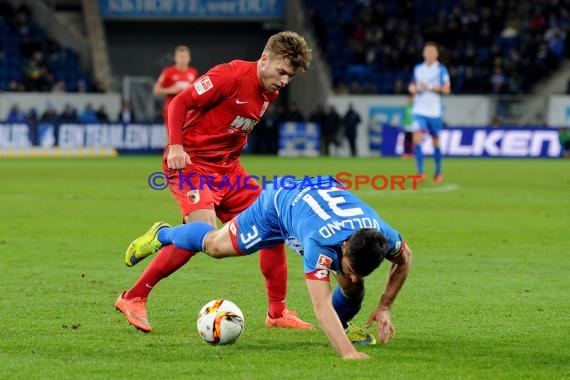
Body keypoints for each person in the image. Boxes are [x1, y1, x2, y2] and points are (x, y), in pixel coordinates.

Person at [115, 31, 314, 332]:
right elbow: (179, 102)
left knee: (274, 226)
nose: (285, 81)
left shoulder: (270, 90)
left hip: (229, 171)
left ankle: (277, 314)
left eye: (290, 76)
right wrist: (176, 146)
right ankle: (134, 296)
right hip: (190, 163)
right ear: (264, 59)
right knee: (204, 233)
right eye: (282, 72)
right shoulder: (229, 75)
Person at [125, 176, 412, 359]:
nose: (348, 274)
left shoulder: (383, 235)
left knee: (353, 287)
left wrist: (385, 304)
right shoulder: (319, 242)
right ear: (346, 246)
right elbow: (321, 305)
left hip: (319, 197)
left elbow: (405, 259)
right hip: (276, 206)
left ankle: (344, 326)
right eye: (349, 267)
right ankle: (162, 234)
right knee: (214, 246)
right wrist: (347, 354)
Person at [408, 42, 451, 183]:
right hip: (419, 109)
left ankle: (438, 172)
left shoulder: (441, 69)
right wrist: (412, 91)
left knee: (436, 141)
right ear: (423, 53)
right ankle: (420, 172)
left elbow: (446, 90)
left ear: (437, 54)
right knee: (416, 137)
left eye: (433, 52)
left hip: (434, 111)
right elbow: (413, 85)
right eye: (427, 51)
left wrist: (430, 87)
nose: (430, 54)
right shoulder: (418, 69)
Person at [153, 45, 199, 125]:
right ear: (175, 58)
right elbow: (156, 91)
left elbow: (197, 91)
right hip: (171, 109)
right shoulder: (167, 72)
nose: (182, 59)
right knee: (172, 135)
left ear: (189, 58)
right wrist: (171, 90)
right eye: (180, 57)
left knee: (187, 135)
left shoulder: (193, 72)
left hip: (188, 110)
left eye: (185, 57)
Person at [401, 95, 414, 159]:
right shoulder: (406, 107)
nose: (411, 100)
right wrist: (402, 124)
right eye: (410, 99)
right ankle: (406, 153)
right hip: (407, 126)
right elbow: (403, 116)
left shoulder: (416, 107)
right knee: (406, 140)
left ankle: (411, 153)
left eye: (412, 99)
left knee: (413, 141)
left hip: (414, 126)